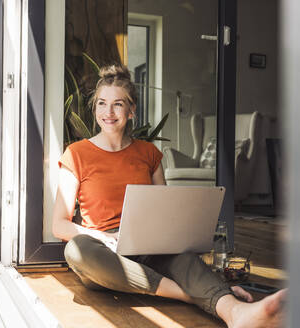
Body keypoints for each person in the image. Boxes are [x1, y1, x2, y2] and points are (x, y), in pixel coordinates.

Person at [52, 65, 286, 328]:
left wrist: (173, 236)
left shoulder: (149, 153)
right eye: (102, 104)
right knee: (77, 250)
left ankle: (236, 313)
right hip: (104, 253)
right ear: (95, 108)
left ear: (132, 111)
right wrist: (105, 237)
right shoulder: (76, 153)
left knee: (184, 260)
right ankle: (192, 295)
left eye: (118, 104)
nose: (108, 112)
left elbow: (163, 210)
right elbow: (59, 224)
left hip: (147, 246)